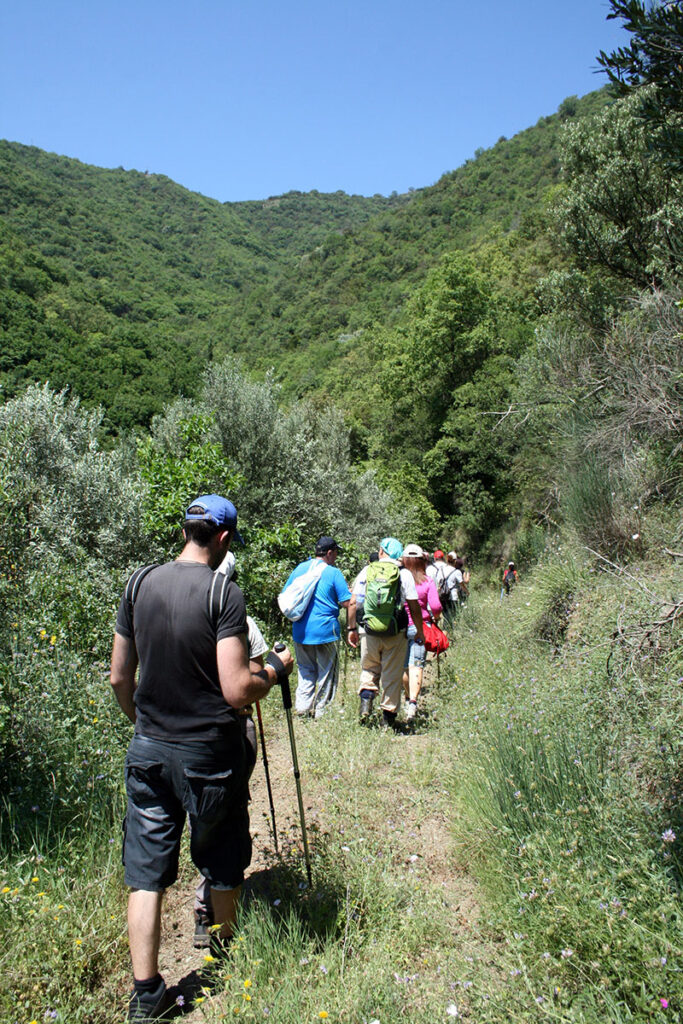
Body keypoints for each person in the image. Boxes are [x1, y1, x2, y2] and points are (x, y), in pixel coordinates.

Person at [110, 495, 294, 1023]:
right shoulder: (222, 593)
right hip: (210, 753)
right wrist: (276, 670)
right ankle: (222, 955)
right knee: (221, 856)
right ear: (224, 539)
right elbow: (237, 689)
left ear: (185, 530)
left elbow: (121, 677)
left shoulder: (138, 582)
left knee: (145, 873)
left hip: (148, 748)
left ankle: (147, 995)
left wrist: (142, 724)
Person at [347, 537, 425, 729]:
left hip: (369, 630)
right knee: (392, 673)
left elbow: (353, 602)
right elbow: (414, 606)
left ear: (382, 551)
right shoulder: (404, 574)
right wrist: (420, 631)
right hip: (395, 631)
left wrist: (351, 629)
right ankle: (388, 721)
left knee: (369, 668)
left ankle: (366, 704)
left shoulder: (368, 570)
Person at [283, 536, 351, 718]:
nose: (336, 556)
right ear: (329, 553)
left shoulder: (300, 569)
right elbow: (346, 602)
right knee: (326, 672)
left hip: (301, 631)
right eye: (335, 553)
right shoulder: (333, 573)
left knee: (305, 670)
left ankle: (303, 708)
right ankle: (322, 712)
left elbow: (285, 595)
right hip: (326, 631)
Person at [401, 544, 442, 721]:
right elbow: (436, 606)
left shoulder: (399, 579)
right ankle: (412, 702)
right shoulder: (427, 581)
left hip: (401, 627)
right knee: (417, 664)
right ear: (422, 561)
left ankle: (406, 697)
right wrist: (436, 617)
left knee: (404, 665)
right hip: (421, 627)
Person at [429, 549, 460, 627]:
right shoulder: (447, 567)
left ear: (434, 558)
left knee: (434, 617)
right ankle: (446, 633)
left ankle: (435, 633)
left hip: (435, 594)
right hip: (449, 594)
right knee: (448, 616)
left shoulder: (429, 568)